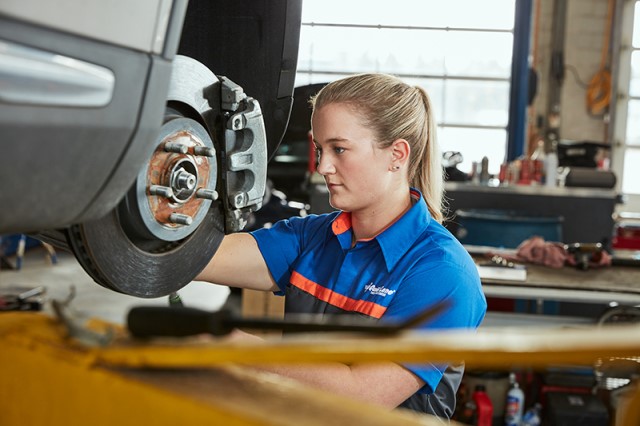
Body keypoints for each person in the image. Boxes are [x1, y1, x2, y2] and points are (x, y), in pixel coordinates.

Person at [196, 73, 487, 418]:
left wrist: (223, 343)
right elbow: (198, 258)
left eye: (339, 149)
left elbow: (360, 394)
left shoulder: (442, 273)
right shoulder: (311, 238)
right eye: (320, 149)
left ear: (397, 154)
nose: (322, 167)